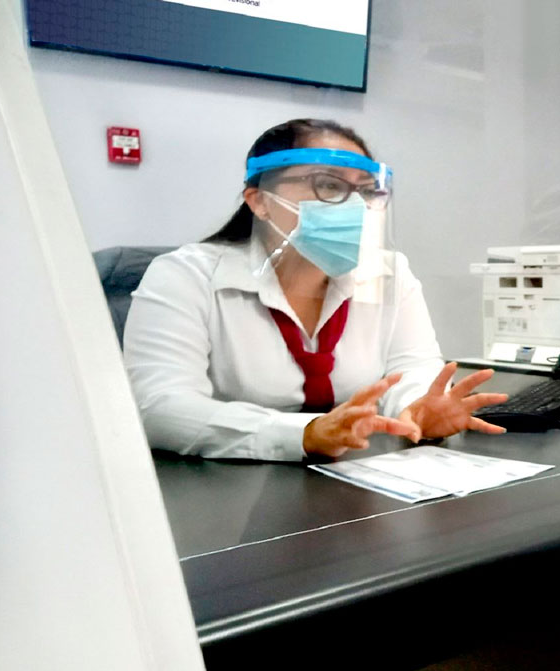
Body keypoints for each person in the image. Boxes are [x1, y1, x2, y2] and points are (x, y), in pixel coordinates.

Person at [124, 119, 507, 461]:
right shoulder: (186, 276)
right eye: (328, 185)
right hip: (221, 488)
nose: (354, 205)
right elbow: (159, 407)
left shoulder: (389, 274)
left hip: (353, 481)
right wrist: (303, 435)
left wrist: (417, 407)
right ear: (259, 201)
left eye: (365, 191)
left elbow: (413, 367)